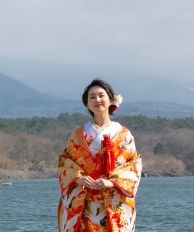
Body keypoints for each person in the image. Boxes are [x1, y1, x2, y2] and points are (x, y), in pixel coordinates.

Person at [57, 79, 141, 232]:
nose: (97, 100)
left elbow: (133, 165)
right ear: (87, 104)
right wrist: (77, 178)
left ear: (111, 100)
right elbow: (65, 162)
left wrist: (112, 182)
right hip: (85, 202)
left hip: (114, 199)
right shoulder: (78, 135)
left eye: (101, 95)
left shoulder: (124, 134)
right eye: (92, 97)